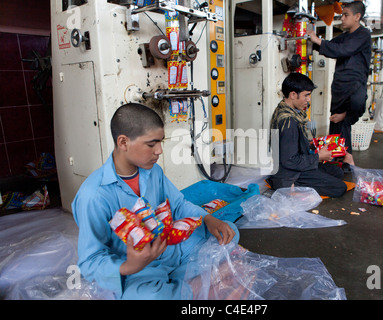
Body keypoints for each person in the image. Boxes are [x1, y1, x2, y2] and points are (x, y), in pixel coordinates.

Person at [72, 103, 238, 300]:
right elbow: (90, 261)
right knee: (147, 296)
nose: (159, 151)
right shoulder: (94, 195)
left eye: (161, 142)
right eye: (151, 144)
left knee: (228, 231)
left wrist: (209, 219)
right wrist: (129, 266)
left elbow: (178, 205)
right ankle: (196, 283)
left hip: (169, 249)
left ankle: (180, 285)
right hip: (138, 268)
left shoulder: (153, 172)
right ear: (123, 142)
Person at [266, 72, 350, 198]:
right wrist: (319, 157)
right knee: (339, 188)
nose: (308, 100)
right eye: (306, 95)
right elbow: (289, 161)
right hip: (291, 173)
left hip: (296, 166)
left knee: (337, 172)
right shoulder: (289, 121)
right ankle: (290, 186)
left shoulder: (287, 110)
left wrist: (315, 148)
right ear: (293, 95)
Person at [307, 1, 371, 156]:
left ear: (357, 16)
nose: (342, 18)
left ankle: (343, 156)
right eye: (342, 14)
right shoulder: (344, 36)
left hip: (355, 84)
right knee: (337, 125)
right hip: (339, 86)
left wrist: (317, 40)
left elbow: (343, 50)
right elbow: (330, 47)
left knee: (357, 104)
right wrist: (309, 41)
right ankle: (339, 159)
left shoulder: (363, 34)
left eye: (346, 15)